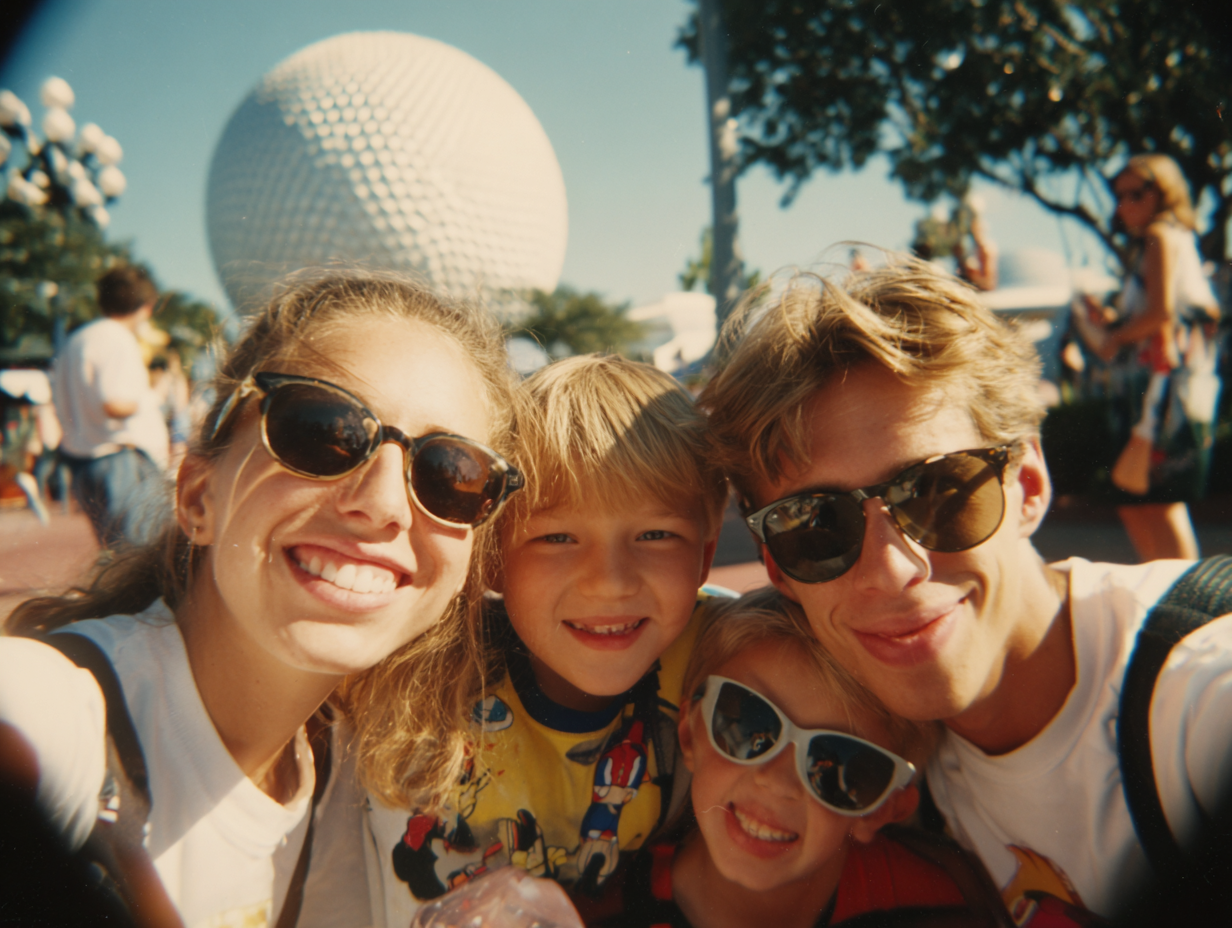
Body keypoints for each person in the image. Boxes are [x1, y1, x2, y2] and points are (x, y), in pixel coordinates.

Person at [699, 258, 1232, 923]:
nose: (892, 570)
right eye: (814, 526)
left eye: (936, 491)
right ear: (777, 568)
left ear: (1027, 485)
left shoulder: (1199, 696)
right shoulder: (867, 763)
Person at [0, 274, 523, 927]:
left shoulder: (370, 783)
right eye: (321, 430)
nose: (383, 502)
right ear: (198, 496)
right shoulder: (52, 713)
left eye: (453, 474)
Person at [366, 354, 728, 925]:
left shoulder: (728, 655)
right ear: (491, 557)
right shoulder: (417, 668)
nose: (610, 581)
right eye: (557, 537)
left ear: (705, 557)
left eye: (656, 534)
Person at [580, 588, 1025, 928]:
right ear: (690, 731)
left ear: (883, 806)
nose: (778, 781)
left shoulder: (943, 903)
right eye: (749, 726)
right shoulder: (599, 913)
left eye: (838, 762)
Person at [1080, 154, 1221, 561]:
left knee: (1154, 499)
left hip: (1159, 391)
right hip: (1171, 385)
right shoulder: (1173, 239)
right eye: (1119, 195)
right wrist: (1117, 322)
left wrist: (1113, 337)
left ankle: (1185, 592)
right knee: (1141, 499)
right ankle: (1172, 589)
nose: (1124, 205)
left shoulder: (1159, 234)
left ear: (1163, 193)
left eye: (1136, 194)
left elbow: (1161, 313)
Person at [50, 265, 171, 549]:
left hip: (86, 461)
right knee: (142, 556)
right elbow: (115, 403)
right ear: (146, 306)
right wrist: (154, 396)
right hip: (121, 460)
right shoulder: (117, 338)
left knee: (117, 556)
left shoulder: (75, 341)